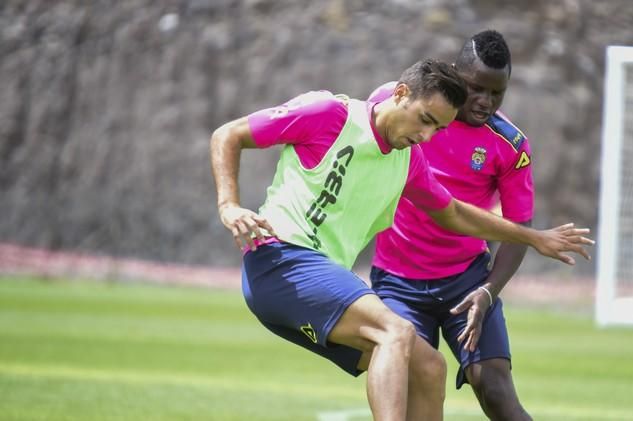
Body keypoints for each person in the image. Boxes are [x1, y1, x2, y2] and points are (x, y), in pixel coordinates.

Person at [210, 58, 593, 421]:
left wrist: (534, 238)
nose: (426, 136)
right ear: (400, 94)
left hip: (312, 279)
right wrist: (230, 206)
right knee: (396, 331)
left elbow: (454, 213)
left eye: (438, 129)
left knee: (428, 367)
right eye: (425, 120)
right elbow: (228, 135)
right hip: (279, 260)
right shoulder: (329, 113)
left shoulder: (408, 161)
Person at [368, 30, 543, 420]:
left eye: (497, 93)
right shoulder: (403, 106)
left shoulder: (510, 145)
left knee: (495, 390)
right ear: (454, 72)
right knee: (414, 391)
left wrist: (489, 290)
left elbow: (519, 228)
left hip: (467, 281)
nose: (485, 102)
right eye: (475, 88)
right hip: (398, 283)